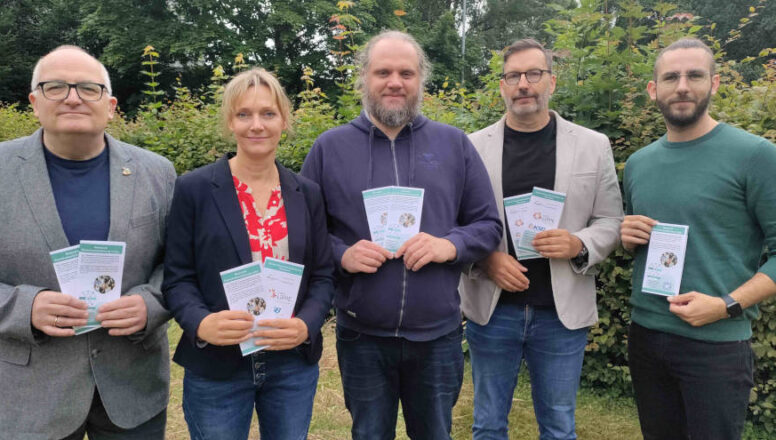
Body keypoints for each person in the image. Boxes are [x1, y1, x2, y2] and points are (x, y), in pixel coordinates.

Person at [301, 30, 503, 439]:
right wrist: (341, 254)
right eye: (383, 72)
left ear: (420, 80)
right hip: (362, 335)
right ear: (364, 78)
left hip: (438, 336)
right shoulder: (329, 148)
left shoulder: (454, 145)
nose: (395, 81)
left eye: (406, 73)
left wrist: (449, 245)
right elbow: (306, 232)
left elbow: (488, 225)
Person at [0, 45, 175, 439]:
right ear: (34, 102)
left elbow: (180, 266)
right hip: (30, 396)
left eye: (89, 88)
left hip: (132, 389)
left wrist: (150, 304)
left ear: (111, 105)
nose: (72, 97)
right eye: (56, 87)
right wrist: (24, 307)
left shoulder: (158, 173)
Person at [459, 38, 623, 440]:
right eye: (513, 76)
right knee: (488, 424)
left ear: (552, 80)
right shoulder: (471, 147)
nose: (523, 84)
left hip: (560, 312)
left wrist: (579, 244)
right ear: (501, 85)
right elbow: (455, 222)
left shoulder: (592, 145)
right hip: (493, 309)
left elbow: (611, 220)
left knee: (558, 426)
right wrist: (484, 259)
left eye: (534, 74)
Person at [163, 67, 335, 440]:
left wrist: (306, 324)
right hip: (217, 365)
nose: (256, 125)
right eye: (244, 114)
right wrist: (201, 323)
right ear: (230, 122)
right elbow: (177, 277)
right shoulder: (194, 190)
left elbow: (323, 274)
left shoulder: (307, 193)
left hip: (290, 362)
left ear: (284, 121)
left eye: (267, 114)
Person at [621, 37, 776, 440]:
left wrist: (727, 305)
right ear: (654, 89)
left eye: (695, 75)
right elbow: (645, 244)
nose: (683, 86)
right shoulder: (639, 164)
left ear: (715, 83)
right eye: (671, 77)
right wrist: (628, 236)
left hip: (716, 344)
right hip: (647, 335)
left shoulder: (755, 155)